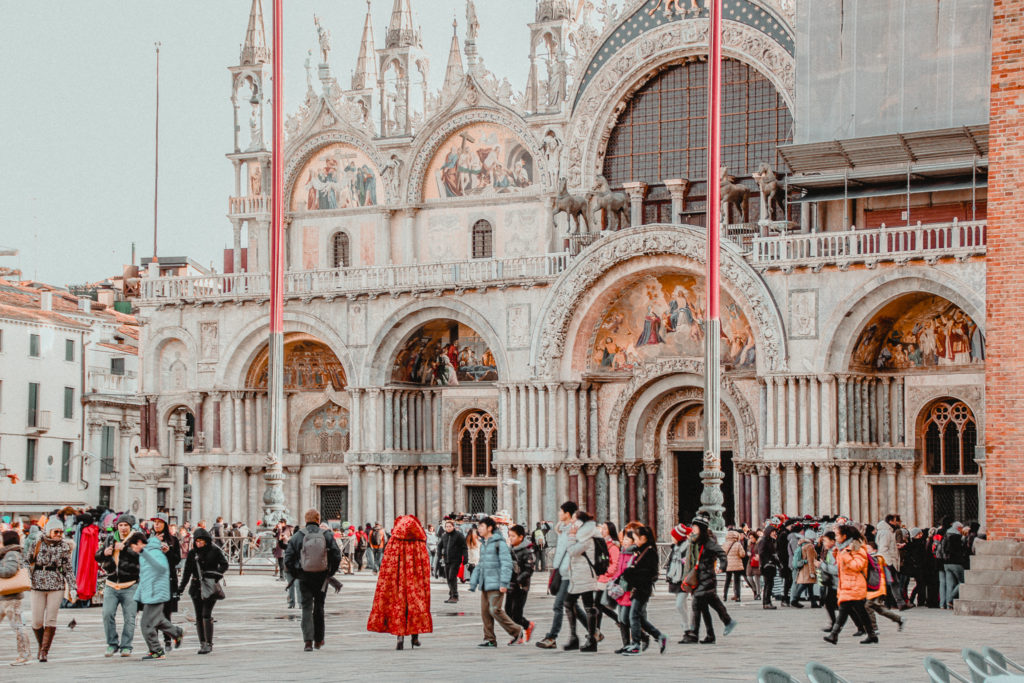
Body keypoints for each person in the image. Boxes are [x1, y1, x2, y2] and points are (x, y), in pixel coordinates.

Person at [367, 515, 433, 651]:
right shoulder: (419, 542)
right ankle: (415, 637)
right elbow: (425, 565)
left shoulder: (393, 542)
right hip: (415, 583)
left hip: (398, 583)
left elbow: (387, 565)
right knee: (415, 607)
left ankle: (400, 638)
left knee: (399, 607)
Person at [284, 509, 342, 651]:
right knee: (319, 607)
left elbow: (288, 558)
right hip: (322, 577)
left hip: (304, 576)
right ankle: (319, 639)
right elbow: (336, 555)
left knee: (306, 607)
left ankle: (308, 642)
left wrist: (296, 572)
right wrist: (330, 571)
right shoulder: (327, 535)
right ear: (318, 519)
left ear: (305, 519)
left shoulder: (298, 535)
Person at [535, 501, 587, 649]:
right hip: (563, 571)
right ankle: (593, 630)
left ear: (567, 514)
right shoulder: (564, 529)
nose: (559, 514)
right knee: (571, 605)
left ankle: (552, 637)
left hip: (570, 572)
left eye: (561, 511)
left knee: (558, 605)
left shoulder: (574, 530)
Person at [469, 516, 523, 647]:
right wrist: (473, 582)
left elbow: (506, 564)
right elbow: (480, 565)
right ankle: (489, 639)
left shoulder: (500, 543)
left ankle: (517, 631)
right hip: (485, 583)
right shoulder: (484, 545)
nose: (479, 529)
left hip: (497, 583)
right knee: (485, 612)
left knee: (495, 610)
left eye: (482, 526)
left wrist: (504, 583)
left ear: (490, 528)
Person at [682, 516, 737, 644]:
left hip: (707, 578)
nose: (693, 529)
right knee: (705, 606)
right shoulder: (698, 542)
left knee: (698, 603)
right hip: (702, 578)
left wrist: (722, 566)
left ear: (700, 528)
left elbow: (722, 553)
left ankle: (694, 633)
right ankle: (711, 634)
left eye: (695, 527)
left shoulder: (709, 542)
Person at [131, 532, 184, 660]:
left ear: (139, 543)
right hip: (151, 592)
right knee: (158, 620)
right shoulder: (147, 554)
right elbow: (144, 578)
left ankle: (157, 651)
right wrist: (138, 597)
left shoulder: (154, 552)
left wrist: (143, 552)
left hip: (156, 593)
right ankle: (176, 632)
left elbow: (161, 568)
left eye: (133, 546)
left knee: (146, 624)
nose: (133, 550)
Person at [28, 517, 75, 662]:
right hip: (37, 584)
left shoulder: (64, 546)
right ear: (49, 531)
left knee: (51, 619)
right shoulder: (37, 543)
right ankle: (41, 646)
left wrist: (73, 587)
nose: (59, 534)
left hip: (56, 584)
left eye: (61, 532)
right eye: (56, 531)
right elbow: (26, 560)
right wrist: (27, 577)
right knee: (36, 621)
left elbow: (68, 568)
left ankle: (44, 651)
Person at [823, 524, 877, 645]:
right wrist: (837, 555)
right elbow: (842, 567)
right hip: (847, 584)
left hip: (855, 584)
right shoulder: (844, 548)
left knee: (844, 610)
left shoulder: (857, 547)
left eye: (837, 535)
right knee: (860, 611)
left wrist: (845, 555)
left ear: (845, 536)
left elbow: (857, 566)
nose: (836, 538)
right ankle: (871, 634)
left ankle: (834, 635)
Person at [95, 513, 140, 657]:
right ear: (117, 526)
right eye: (120, 525)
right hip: (112, 583)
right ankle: (112, 644)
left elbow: (142, 555)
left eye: (126, 525)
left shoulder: (137, 539)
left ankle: (126, 646)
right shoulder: (110, 538)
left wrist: (125, 549)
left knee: (130, 618)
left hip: (130, 584)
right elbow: (97, 556)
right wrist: (104, 553)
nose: (123, 528)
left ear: (130, 526)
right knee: (107, 614)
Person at [618, 525, 667, 656]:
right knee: (637, 617)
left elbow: (648, 572)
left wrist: (630, 573)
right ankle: (659, 636)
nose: (634, 541)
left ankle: (636, 645)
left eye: (635, 538)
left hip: (642, 589)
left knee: (633, 616)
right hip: (638, 588)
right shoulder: (641, 550)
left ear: (644, 538)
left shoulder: (649, 552)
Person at [179, 527, 228, 654]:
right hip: (196, 586)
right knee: (199, 616)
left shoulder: (214, 551)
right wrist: (181, 588)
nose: (199, 544)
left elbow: (224, 564)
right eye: (197, 541)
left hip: (210, 585)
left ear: (207, 541)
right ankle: (202, 643)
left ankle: (209, 643)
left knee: (206, 614)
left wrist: (217, 574)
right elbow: (187, 572)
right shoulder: (192, 553)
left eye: (202, 541)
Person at [563, 510, 601, 652]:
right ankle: (583, 638)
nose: (572, 521)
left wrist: (572, 536)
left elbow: (572, 551)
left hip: (584, 575)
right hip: (580, 575)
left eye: (574, 518)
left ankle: (590, 639)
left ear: (580, 521)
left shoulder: (586, 536)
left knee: (579, 604)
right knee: (578, 604)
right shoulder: (584, 534)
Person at [150, 514, 181, 652]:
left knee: (166, 611)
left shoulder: (173, 540)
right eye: (155, 523)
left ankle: (168, 639)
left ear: (165, 525)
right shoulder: (149, 540)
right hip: (152, 579)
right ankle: (154, 642)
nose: (156, 525)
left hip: (167, 578)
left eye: (159, 522)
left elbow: (176, 560)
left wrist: (168, 552)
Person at [0, 530, 31, 665]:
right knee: (17, 626)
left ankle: (24, 654)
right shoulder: (6, 553)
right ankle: (23, 654)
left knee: (17, 626)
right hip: (4, 597)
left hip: (11, 597)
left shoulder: (11, 553)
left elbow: (9, 571)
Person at [665, 523, 697, 642]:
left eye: (673, 535)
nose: (671, 537)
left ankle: (688, 628)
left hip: (684, 580)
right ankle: (687, 630)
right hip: (676, 580)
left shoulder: (687, 548)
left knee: (679, 605)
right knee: (683, 605)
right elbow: (671, 563)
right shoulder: (676, 548)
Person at [864, 541, 906, 634]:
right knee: (879, 608)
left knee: (867, 606)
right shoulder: (871, 558)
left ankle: (874, 628)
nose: (866, 550)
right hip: (873, 587)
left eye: (868, 549)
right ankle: (899, 619)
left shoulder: (877, 558)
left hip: (878, 587)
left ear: (874, 550)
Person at [505, 524, 536, 643]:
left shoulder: (526, 551)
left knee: (516, 613)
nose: (511, 538)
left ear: (521, 537)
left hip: (521, 586)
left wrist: (518, 580)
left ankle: (524, 629)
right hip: (510, 584)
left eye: (513, 536)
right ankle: (520, 632)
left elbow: (529, 569)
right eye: (509, 536)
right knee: (507, 611)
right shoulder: (510, 550)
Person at [593, 521, 620, 640]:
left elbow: (615, 564)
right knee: (599, 605)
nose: (602, 530)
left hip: (607, 580)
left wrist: (605, 572)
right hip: (601, 579)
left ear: (610, 530)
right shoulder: (603, 544)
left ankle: (598, 631)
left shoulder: (613, 546)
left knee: (599, 605)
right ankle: (597, 631)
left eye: (604, 528)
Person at [439, 519, 467, 603]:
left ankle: (455, 596)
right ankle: (451, 595)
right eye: (446, 527)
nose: (448, 528)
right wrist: (440, 555)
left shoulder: (459, 535)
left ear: (453, 527)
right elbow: (439, 546)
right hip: (447, 560)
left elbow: (464, 547)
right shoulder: (444, 536)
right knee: (448, 578)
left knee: (452, 577)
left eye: (449, 526)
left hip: (456, 560)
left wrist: (465, 558)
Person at [789, 529, 818, 608]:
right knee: (805, 585)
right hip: (808, 569)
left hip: (804, 569)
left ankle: (813, 602)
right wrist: (812, 572)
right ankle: (795, 600)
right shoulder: (810, 546)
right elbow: (810, 560)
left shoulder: (803, 544)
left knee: (809, 585)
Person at [817, 531, 839, 631]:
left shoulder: (835, 552)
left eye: (825, 541)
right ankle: (834, 624)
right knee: (829, 603)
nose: (824, 543)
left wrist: (821, 565)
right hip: (833, 583)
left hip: (838, 583)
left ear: (833, 541)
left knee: (848, 607)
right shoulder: (830, 551)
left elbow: (837, 569)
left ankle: (865, 627)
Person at [756, 524, 780, 610]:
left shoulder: (771, 541)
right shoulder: (764, 541)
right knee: (768, 584)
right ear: (769, 532)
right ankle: (766, 602)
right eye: (773, 532)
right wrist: (767, 561)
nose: (774, 533)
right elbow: (761, 553)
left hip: (771, 565)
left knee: (770, 584)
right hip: (767, 565)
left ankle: (767, 602)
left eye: (775, 532)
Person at [722, 528, 746, 602]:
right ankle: (738, 596)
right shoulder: (738, 544)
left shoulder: (724, 544)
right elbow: (742, 554)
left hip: (728, 564)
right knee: (737, 581)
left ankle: (724, 596)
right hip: (737, 565)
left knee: (727, 580)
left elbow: (722, 554)